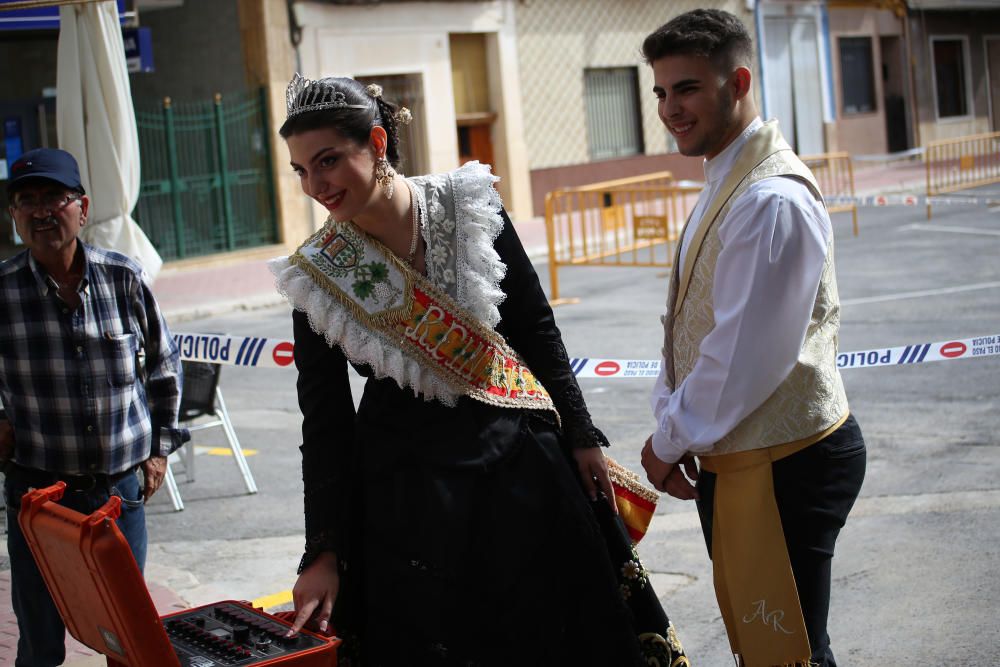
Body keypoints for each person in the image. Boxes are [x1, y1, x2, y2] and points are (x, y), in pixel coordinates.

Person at [269, 74, 688, 666]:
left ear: (379, 143)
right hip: (406, 498)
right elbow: (326, 422)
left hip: (518, 465)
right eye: (302, 170)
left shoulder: (467, 206)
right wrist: (323, 551)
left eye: (329, 160)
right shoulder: (316, 276)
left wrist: (582, 434)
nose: (316, 185)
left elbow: (536, 327)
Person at [637, 9, 867, 667]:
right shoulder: (728, 172)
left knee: (786, 652)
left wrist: (667, 439)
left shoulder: (768, 199)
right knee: (770, 649)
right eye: (660, 91)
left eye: (686, 89)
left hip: (786, 463)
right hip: (752, 457)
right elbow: (693, 320)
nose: (669, 108)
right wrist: (673, 419)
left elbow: (740, 360)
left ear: (736, 82)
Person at [0, 147, 187, 666]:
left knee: (124, 635)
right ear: (14, 216)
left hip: (118, 492)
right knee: (38, 638)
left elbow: (165, 366)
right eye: (26, 200)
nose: (41, 212)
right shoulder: (3, 291)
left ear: (81, 207)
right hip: (38, 497)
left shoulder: (123, 278)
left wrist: (159, 451)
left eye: (54, 198)